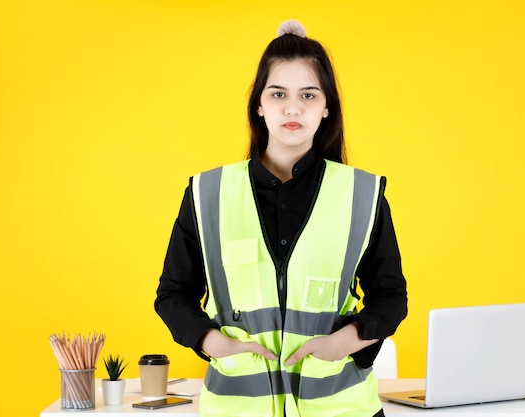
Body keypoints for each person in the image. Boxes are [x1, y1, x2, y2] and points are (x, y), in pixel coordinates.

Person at [155, 20, 408, 417]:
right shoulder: (208, 194)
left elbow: (391, 297)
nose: (293, 108)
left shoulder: (362, 194)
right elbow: (172, 294)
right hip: (240, 407)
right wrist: (213, 343)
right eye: (278, 94)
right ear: (259, 104)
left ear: (326, 108)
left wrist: (343, 343)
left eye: (308, 94)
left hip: (340, 406)